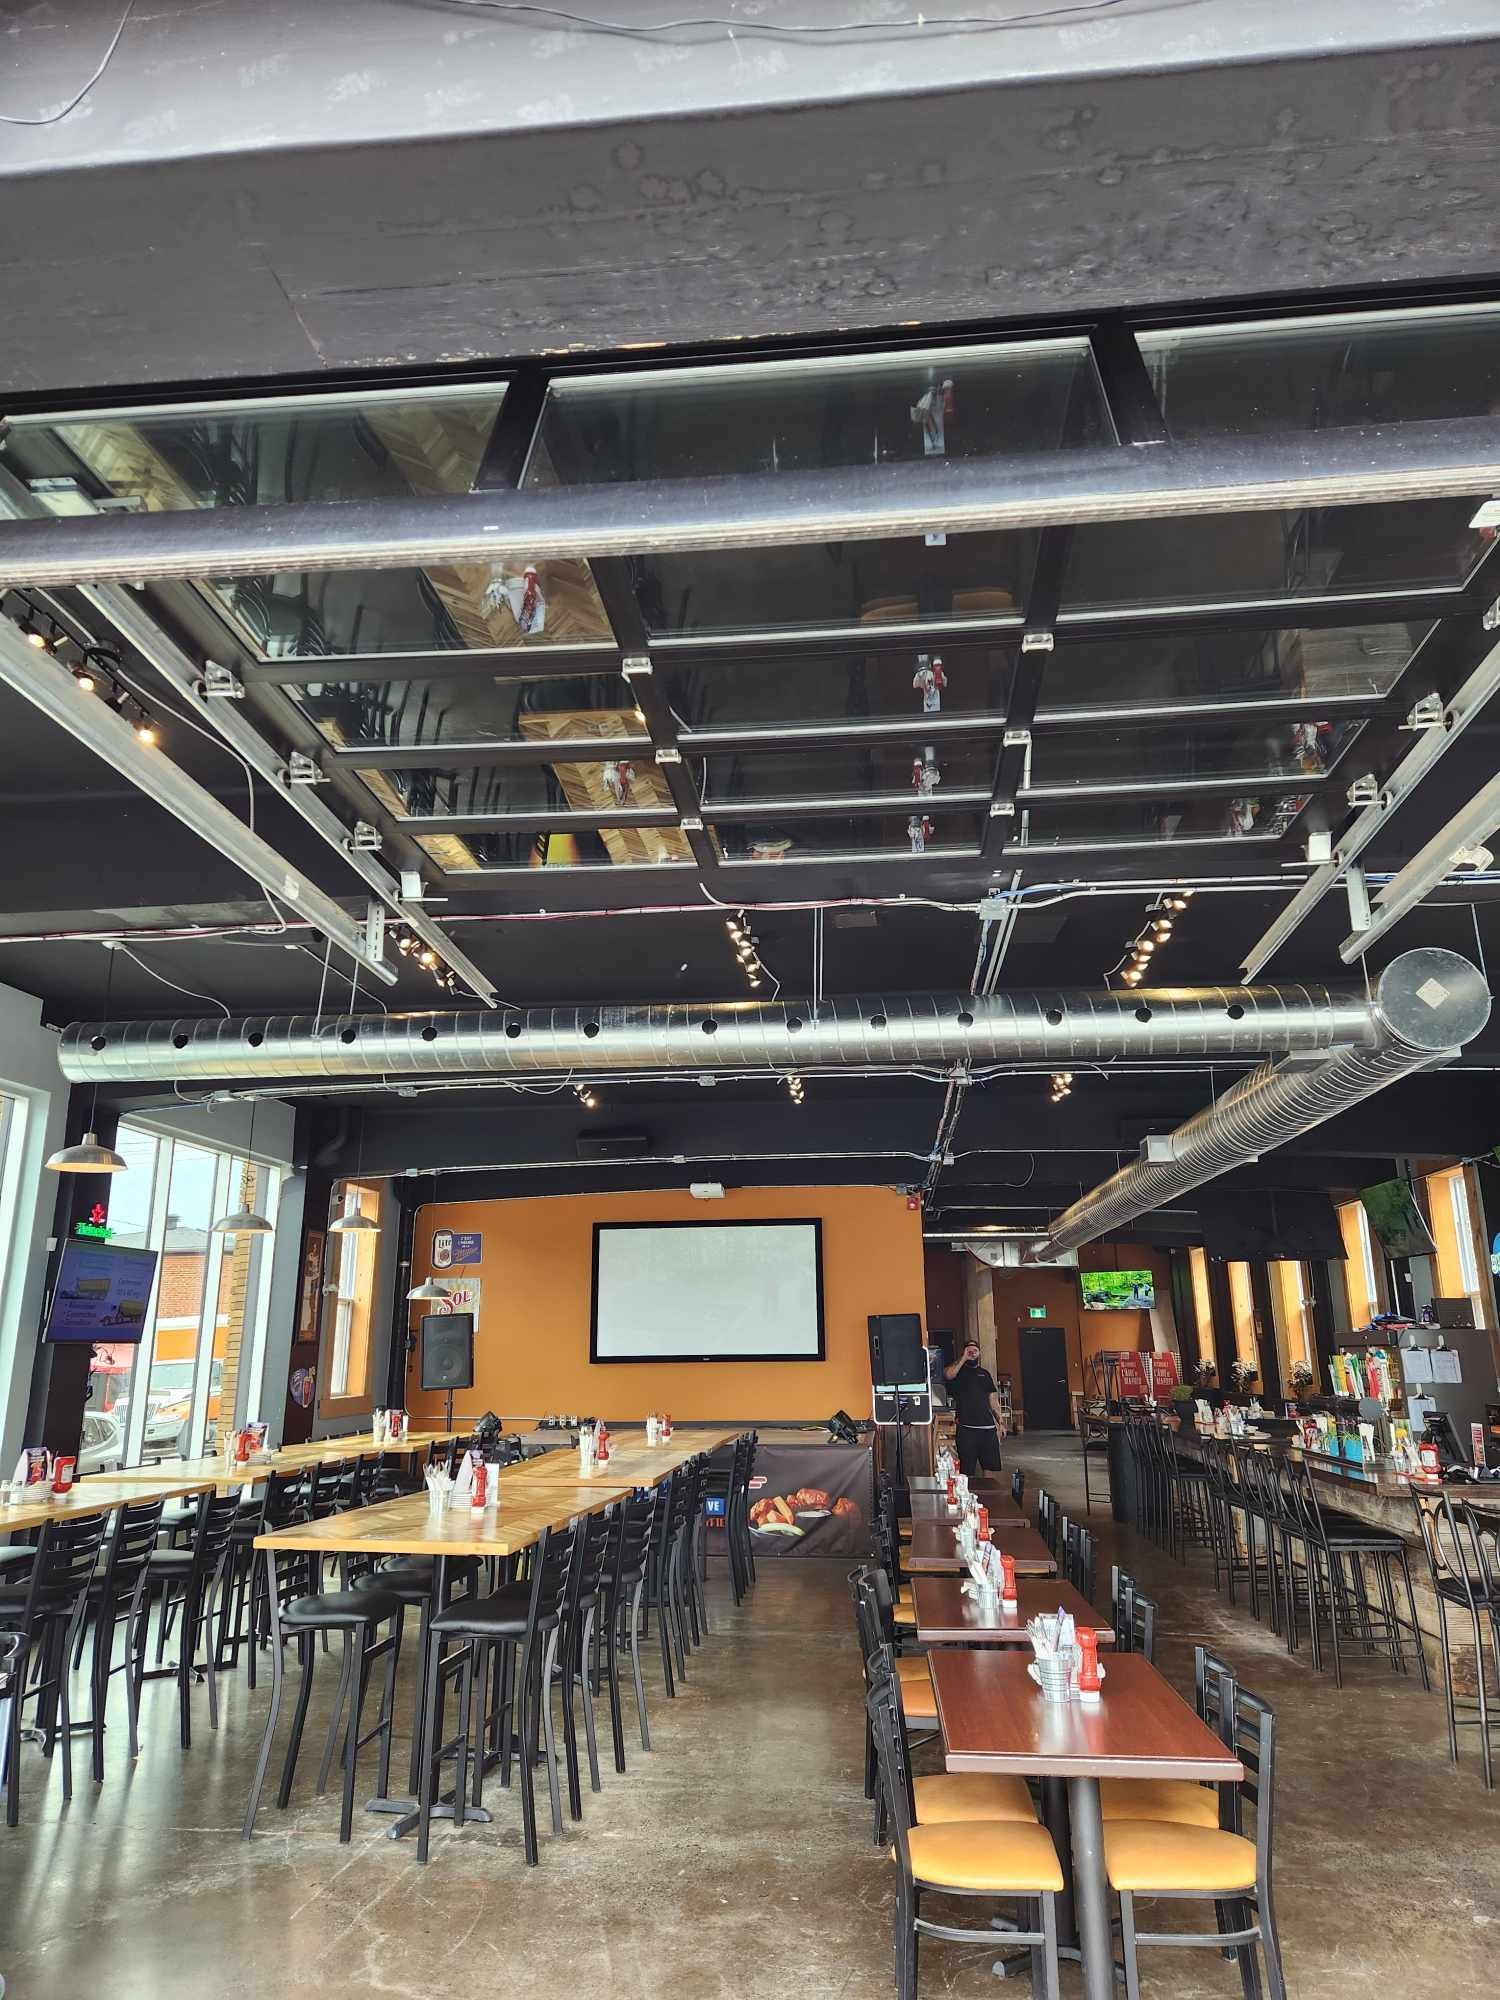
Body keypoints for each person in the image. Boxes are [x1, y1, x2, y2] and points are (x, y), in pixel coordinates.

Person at [944, 1340, 1006, 1477]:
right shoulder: (958, 1372)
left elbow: (993, 1400)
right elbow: (948, 1374)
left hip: (988, 1429)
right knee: (967, 1471)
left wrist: (1000, 1422)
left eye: (975, 1351)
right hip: (967, 1429)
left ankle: (988, 1491)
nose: (972, 1353)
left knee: (990, 1468)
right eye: (969, 1350)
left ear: (979, 1353)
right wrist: (964, 1358)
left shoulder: (985, 1374)